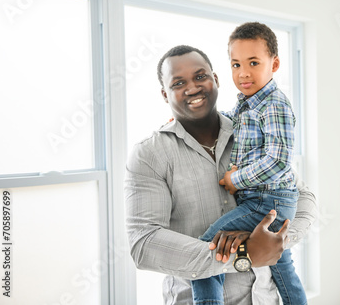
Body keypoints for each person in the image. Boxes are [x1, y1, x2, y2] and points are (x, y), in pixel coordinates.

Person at [124, 44, 317, 305]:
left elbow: (302, 196)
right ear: (164, 93)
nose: (192, 88)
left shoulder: (251, 129)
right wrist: (245, 254)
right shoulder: (150, 154)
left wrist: (274, 243)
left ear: (215, 79)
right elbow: (144, 244)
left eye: (200, 76)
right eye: (179, 83)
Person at [190, 22, 307, 305]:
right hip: (267, 199)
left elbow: (278, 161)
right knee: (283, 265)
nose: (243, 72)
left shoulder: (274, 104)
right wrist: (195, 120)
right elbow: (230, 119)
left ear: (274, 64)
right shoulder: (249, 102)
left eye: (253, 62)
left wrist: (235, 180)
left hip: (266, 201)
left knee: (207, 247)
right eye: (235, 64)